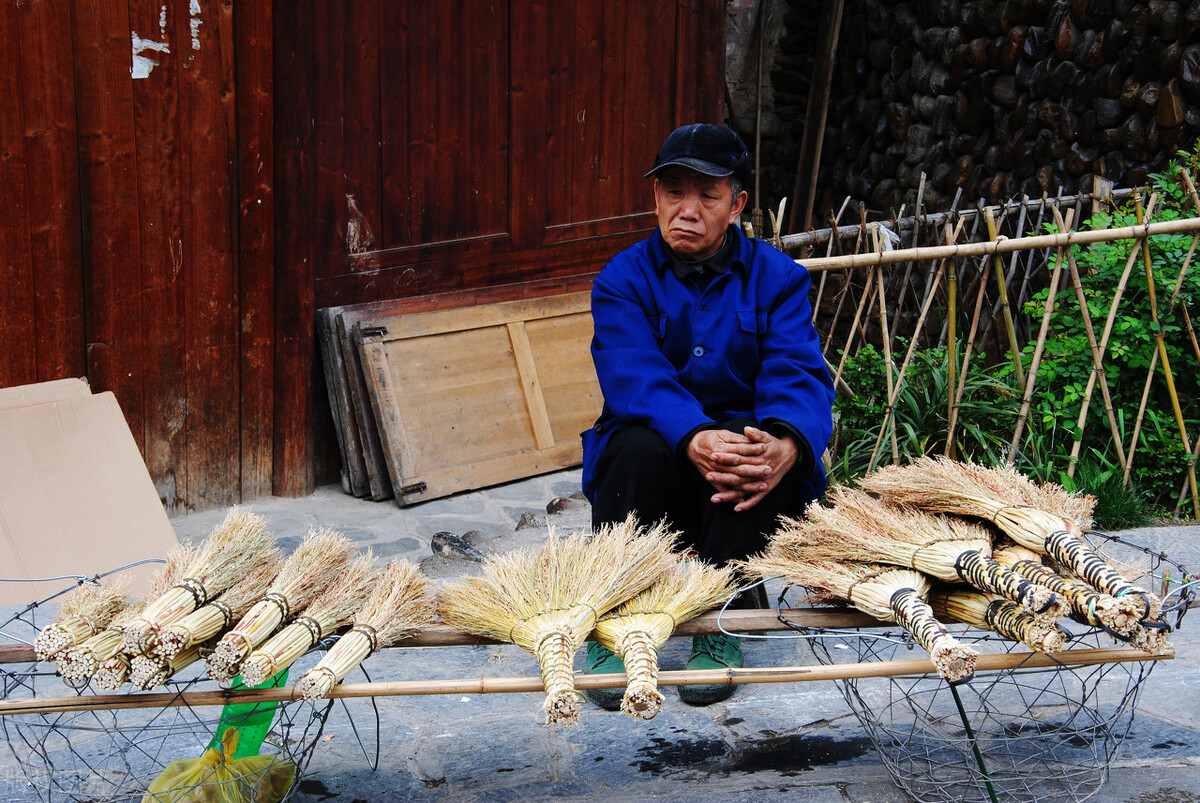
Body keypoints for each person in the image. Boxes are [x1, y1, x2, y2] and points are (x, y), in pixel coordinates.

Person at [581, 123, 835, 708]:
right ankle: (615, 609)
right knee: (635, 446)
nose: (687, 211)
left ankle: (730, 607)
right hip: (661, 454)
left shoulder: (779, 279)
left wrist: (785, 444)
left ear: (737, 204)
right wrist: (692, 434)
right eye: (674, 193)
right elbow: (632, 373)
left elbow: (798, 372)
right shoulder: (622, 280)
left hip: (739, 467)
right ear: (655, 198)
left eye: (707, 197)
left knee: (755, 455)